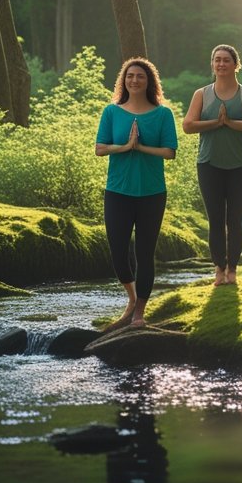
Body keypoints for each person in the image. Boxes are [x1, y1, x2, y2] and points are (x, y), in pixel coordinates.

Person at [94, 57, 178, 330]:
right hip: (117, 191)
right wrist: (126, 146)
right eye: (130, 76)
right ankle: (131, 300)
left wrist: (140, 148)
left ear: (149, 81)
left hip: (152, 193)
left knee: (144, 252)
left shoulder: (162, 114)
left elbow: (169, 152)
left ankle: (139, 312)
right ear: (124, 80)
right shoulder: (112, 112)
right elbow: (100, 148)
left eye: (140, 76)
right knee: (118, 251)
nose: (134, 80)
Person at [183, 45, 242, 287]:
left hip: (240, 165)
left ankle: (233, 270)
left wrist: (229, 122)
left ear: (236, 65)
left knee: (234, 220)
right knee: (215, 220)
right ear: (212, 64)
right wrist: (216, 123)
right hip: (209, 164)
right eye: (217, 60)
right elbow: (188, 125)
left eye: (226, 60)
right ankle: (218, 270)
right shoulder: (202, 94)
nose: (221, 64)